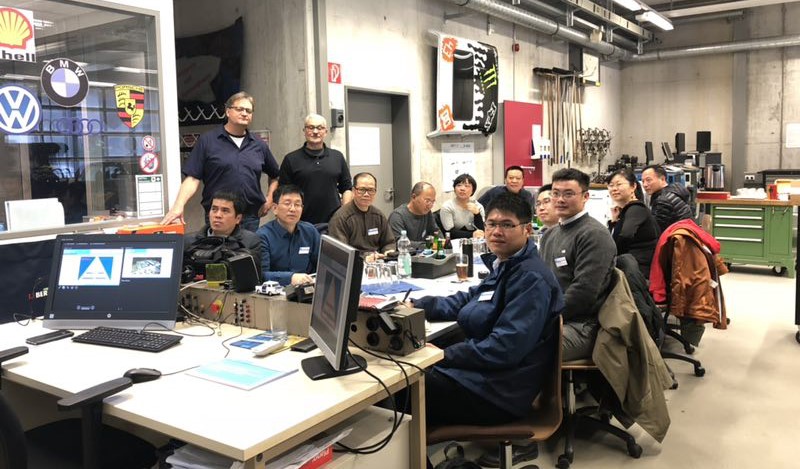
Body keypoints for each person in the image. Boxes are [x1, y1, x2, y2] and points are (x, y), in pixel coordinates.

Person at [407, 192, 563, 465]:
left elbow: (504, 348)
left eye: (507, 224)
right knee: (405, 376)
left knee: (400, 390)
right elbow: (470, 299)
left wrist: (444, 355)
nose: (496, 231)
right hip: (483, 378)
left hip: (499, 392)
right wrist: (418, 305)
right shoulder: (507, 264)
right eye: (491, 224)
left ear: (527, 229)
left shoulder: (530, 278)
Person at [162, 92, 279, 232]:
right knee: (217, 247)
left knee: (248, 247)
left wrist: (270, 199)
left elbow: (275, 175)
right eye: (239, 109)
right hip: (218, 216)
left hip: (249, 217)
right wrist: (178, 206)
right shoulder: (208, 141)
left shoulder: (259, 145)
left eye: (248, 111)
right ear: (228, 111)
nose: (244, 113)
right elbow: (192, 178)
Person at [539, 168, 616, 361]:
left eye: (568, 194)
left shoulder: (593, 235)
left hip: (583, 326)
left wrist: (540, 316)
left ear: (585, 197)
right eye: (555, 194)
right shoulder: (550, 234)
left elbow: (583, 294)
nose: (560, 200)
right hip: (554, 318)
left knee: (519, 347)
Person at [278, 114, 353, 224]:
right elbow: (284, 193)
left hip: (333, 222)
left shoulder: (337, 157)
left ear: (325, 132)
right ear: (304, 131)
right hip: (301, 223)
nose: (315, 131)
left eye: (320, 128)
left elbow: (347, 188)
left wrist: (344, 213)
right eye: (311, 127)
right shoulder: (291, 159)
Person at [183, 191, 262, 278]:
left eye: (225, 211)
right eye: (214, 209)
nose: (218, 215)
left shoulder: (250, 241)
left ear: (238, 218)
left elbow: (254, 277)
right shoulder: (188, 241)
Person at [256, 185, 320, 286]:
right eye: (287, 203)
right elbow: (262, 275)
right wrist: (291, 278)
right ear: (275, 208)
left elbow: (322, 264)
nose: (293, 209)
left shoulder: (310, 231)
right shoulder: (263, 236)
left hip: (306, 288)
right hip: (276, 291)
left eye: (297, 204)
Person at [607, 169, 660, 278]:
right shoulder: (627, 211)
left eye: (619, 184)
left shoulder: (636, 209)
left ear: (633, 187)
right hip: (630, 267)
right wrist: (614, 221)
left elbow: (625, 236)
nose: (614, 189)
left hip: (637, 272)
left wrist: (608, 256)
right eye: (611, 185)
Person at [328, 172, 395, 254]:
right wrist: (365, 257)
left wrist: (388, 252)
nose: (366, 194)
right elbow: (341, 252)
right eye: (362, 190)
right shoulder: (341, 218)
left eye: (371, 190)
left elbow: (389, 242)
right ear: (353, 191)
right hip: (354, 260)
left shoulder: (378, 215)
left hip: (378, 260)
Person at [641, 164, 693, 232]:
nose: (645, 185)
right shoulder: (672, 192)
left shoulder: (663, 201)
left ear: (662, 179)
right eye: (643, 181)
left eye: (648, 180)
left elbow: (655, 231)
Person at [388, 182, 437, 249]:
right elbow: (399, 243)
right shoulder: (397, 216)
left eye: (433, 202)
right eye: (427, 201)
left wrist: (442, 242)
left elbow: (436, 231)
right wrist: (427, 245)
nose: (430, 205)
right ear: (414, 197)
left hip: (423, 252)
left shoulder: (427, 213)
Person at [440, 173, 485, 239]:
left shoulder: (478, 206)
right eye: (459, 185)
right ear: (454, 189)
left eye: (467, 186)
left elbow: (481, 231)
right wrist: (472, 234)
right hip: (454, 242)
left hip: (475, 242)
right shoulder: (447, 206)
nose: (462, 189)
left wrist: (477, 214)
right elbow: (449, 232)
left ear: (473, 190)